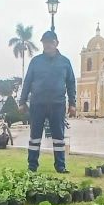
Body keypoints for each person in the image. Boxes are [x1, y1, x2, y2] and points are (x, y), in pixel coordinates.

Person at [19, 30, 76, 174]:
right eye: (45, 42)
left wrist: (73, 103)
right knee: (35, 137)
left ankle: (60, 166)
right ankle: (32, 167)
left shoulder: (65, 62)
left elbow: (71, 83)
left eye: (51, 42)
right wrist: (22, 101)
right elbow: (27, 82)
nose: (48, 45)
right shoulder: (36, 61)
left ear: (56, 43)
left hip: (58, 105)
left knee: (58, 138)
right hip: (37, 104)